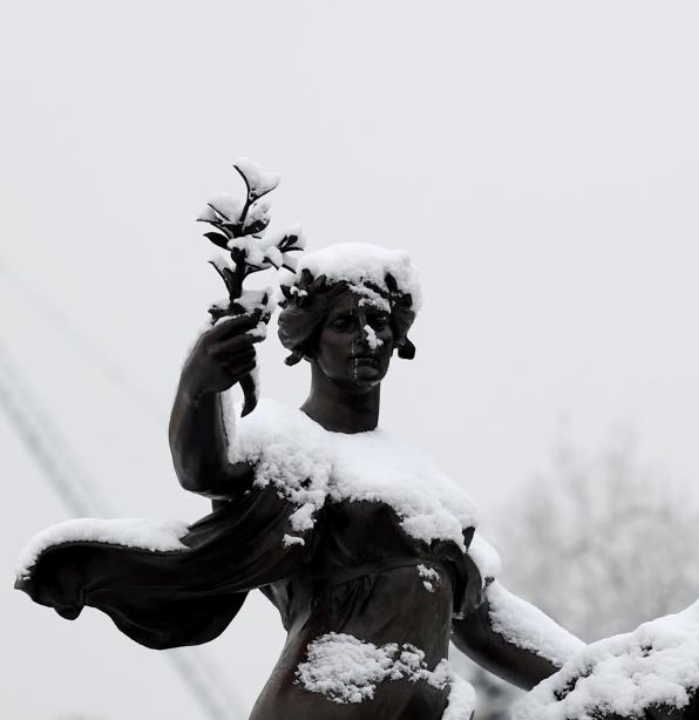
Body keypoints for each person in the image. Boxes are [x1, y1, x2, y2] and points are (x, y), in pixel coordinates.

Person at [16, 243, 583, 720]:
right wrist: (200, 387)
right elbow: (207, 470)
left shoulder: (427, 482)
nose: (366, 337)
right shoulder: (290, 442)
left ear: (400, 337)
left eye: (378, 320)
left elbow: (486, 621)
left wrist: (603, 670)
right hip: (325, 700)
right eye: (343, 323)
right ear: (310, 340)